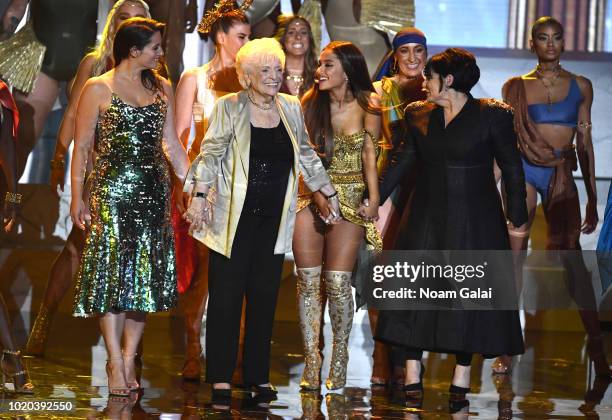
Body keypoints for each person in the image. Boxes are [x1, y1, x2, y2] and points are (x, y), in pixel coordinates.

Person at [183, 37, 339, 399]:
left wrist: (326, 192)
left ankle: (257, 376)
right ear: (247, 76)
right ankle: (220, 377)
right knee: (225, 299)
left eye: (278, 70)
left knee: (264, 297)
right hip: (232, 220)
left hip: (272, 219)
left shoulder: (289, 106)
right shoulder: (229, 106)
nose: (274, 76)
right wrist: (200, 196)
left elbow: (306, 154)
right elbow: (211, 153)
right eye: (266, 70)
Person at [370, 48, 527, 404]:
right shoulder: (418, 114)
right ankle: (412, 370)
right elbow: (401, 160)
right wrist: (374, 199)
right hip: (425, 216)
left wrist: (516, 215)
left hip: (477, 219)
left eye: (429, 77)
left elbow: (512, 167)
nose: (423, 83)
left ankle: (461, 375)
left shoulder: (492, 115)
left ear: (449, 80)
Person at [70, 17, 189, 396]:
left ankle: (129, 354)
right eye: (154, 47)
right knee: (112, 278)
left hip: (154, 196)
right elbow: (83, 146)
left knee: (143, 281)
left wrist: (196, 184)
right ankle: (114, 361)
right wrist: (77, 196)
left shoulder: (162, 87)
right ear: (133, 51)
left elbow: (171, 144)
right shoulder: (97, 88)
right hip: (112, 196)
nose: (159, 53)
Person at [25, 0, 151, 358]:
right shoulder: (94, 64)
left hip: (138, 176)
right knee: (77, 248)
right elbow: (72, 117)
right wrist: (57, 162)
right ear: (113, 23)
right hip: (100, 170)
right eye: (124, 17)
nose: (130, 24)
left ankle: (130, 348)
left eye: (137, 19)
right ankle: (44, 320)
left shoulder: (153, 69)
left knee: (133, 255)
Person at [500, 16, 610, 377]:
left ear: (564, 43)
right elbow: (507, 141)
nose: (550, 44)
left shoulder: (581, 85)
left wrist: (592, 196)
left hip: (561, 172)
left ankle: (596, 346)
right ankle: (506, 344)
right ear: (532, 43)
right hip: (524, 170)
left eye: (556, 38)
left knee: (571, 258)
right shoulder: (514, 87)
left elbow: (585, 142)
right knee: (515, 256)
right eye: (543, 38)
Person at [295, 40, 382, 391]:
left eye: (328, 65)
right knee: (308, 283)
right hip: (313, 195)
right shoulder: (308, 103)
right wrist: (317, 196)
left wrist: (373, 200)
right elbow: (301, 157)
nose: (320, 71)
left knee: (337, 284)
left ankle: (340, 356)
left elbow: (370, 158)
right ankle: (312, 362)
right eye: (319, 64)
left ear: (347, 69)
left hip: (349, 197)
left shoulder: (368, 105)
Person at [174, 3, 250, 380]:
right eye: (242, 36)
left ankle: (236, 354)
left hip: (244, 185)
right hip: (206, 185)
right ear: (221, 37)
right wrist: (187, 186)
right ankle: (193, 348)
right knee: (203, 270)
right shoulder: (195, 78)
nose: (247, 43)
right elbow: (178, 136)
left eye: (249, 37)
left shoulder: (251, 78)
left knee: (241, 271)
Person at [369, 27, 428, 387]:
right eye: (404, 51)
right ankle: (380, 357)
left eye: (417, 51)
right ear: (394, 55)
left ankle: (409, 359)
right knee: (382, 276)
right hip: (389, 186)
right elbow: (373, 143)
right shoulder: (379, 91)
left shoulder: (436, 88)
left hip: (424, 188)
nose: (411, 58)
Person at [0, 0, 98, 179]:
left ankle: (89, 205)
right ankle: (10, 198)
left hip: (86, 62)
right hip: (39, 59)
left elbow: (118, 18)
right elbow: (14, 11)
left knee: (92, 146)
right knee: (22, 138)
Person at [276, 15, 317, 97]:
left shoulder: (319, 76)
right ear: (283, 39)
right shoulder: (272, 74)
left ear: (309, 39)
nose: (298, 37)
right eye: (291, 32)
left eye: (303, 32)